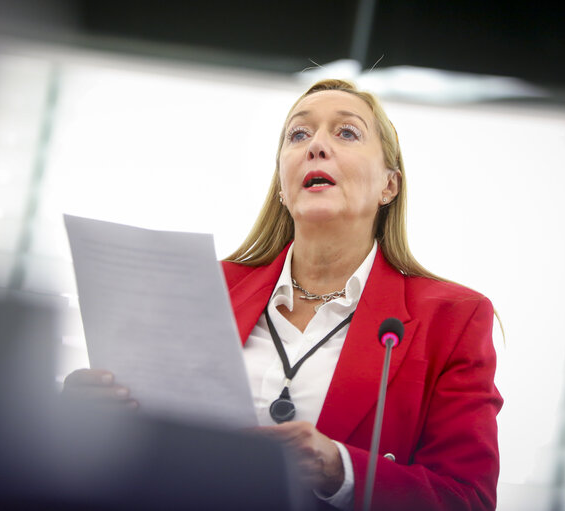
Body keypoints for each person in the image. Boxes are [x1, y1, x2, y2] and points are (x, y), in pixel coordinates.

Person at [64, 79, 503, 511]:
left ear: (389, 185)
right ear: (281, 182)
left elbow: (468, 499)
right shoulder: (206, 288)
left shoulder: (454, 319)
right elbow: (141, 447)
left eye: (346, 132)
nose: (316, 146)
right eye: (299, 134)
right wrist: (89, 420)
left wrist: (340, 469)